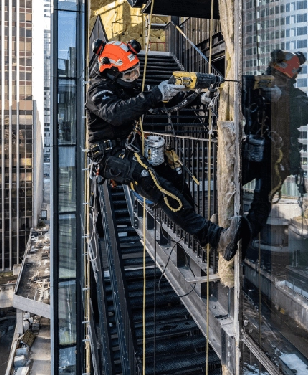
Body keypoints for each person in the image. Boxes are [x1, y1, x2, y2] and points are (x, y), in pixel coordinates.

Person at [86, 39, 243, 260]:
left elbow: (160, 100)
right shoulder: (97, 91)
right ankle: (215, 237)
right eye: (129, 74)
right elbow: (116, 113)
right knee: (164, 190)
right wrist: (155, 94)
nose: (135, 77)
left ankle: (202, 232)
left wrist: (196, 95)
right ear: (111, 72)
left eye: (136, 71)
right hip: (112, 157)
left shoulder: (122, 85)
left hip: (130, 148)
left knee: (176, 180)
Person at [224, 50, 308, 260]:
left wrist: (280, 98)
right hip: (256, 151)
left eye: (282, 78)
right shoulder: (256, 88)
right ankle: (228, 228)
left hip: (278, 158)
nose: (277, 81)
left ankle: (239, 240)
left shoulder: (296, 97)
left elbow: (304, 114)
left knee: (261, 204)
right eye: (275, 75)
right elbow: (241, 99)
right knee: (230, 183)